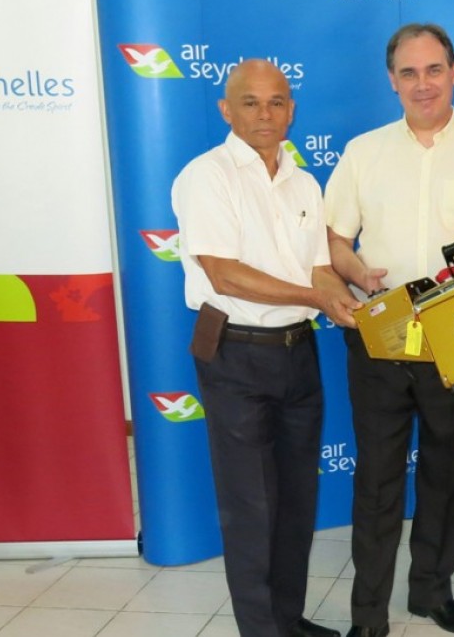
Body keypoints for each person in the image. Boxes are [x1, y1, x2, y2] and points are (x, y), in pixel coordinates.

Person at [323, 23, 454, 637]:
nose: (423, 84)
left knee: (448, 470)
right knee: (377, 480)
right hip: (379, 331)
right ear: (392, 81)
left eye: (434, 69)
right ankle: (368, 616)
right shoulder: (363, 151)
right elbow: (332, 237)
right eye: (409, 73)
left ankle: (432, 591)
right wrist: (354, 269)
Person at [171, 59, 351, 637]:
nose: (265, 114)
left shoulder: (304, 182)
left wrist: (350, 304)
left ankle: (287, 620)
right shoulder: (208, 176)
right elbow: (224, 274)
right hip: (236, 353)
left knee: (297, 500)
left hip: (299, 351)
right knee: (252, 506)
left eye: (276, 102)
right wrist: (313, 296)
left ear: (292, 110)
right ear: (227, 110)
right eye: (251, 103)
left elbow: (322, 271)